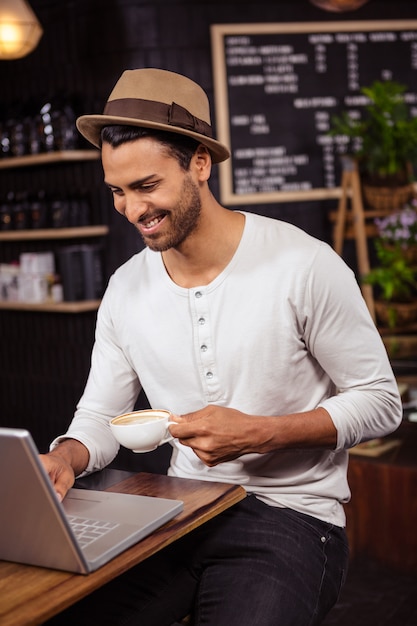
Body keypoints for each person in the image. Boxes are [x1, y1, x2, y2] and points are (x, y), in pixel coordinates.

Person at [41, 68, 402, 626]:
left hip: (295, 517)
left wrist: (263, 432)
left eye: (147, 186)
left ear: (199, 164)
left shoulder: (304, 264)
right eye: (117, 191)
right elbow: (99, 415)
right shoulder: (126, 287)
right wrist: (65, 457)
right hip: (181, 507)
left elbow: (381, 400)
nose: (133, 211)